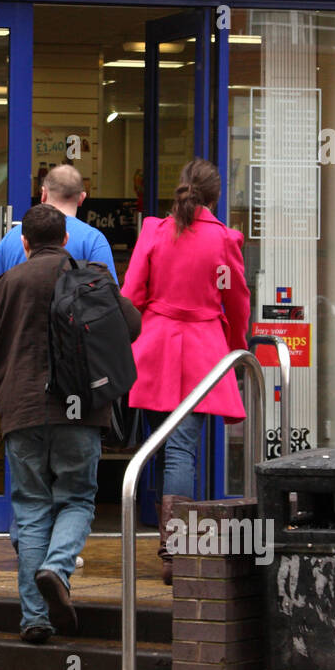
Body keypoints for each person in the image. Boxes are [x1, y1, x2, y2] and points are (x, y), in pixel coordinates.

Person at [0, 204, 140, 643]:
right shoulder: (92, 276)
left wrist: (2, 395)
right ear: (66, 239)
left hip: (23, 411)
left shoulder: (7, 284)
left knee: (30, 508)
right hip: (80, 408)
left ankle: (35, 618)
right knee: (77, 499)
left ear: (24, 243)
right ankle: (57, 566)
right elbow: (132, 326)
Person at [120, 159, 250, 585]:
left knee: (161, 448)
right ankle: (175, 550)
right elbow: (235, 300)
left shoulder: (154, 231)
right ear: (215, 196)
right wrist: (236, 348)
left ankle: (169, 542)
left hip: (154, 348)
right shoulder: (223, 240)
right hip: (200, 351)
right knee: (182, 451)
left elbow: (131, 293)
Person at [0, 163, 116, 287]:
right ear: (82, 198)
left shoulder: (14, 235)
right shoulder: (94, 240)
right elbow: (107, 293)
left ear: (43, 193)